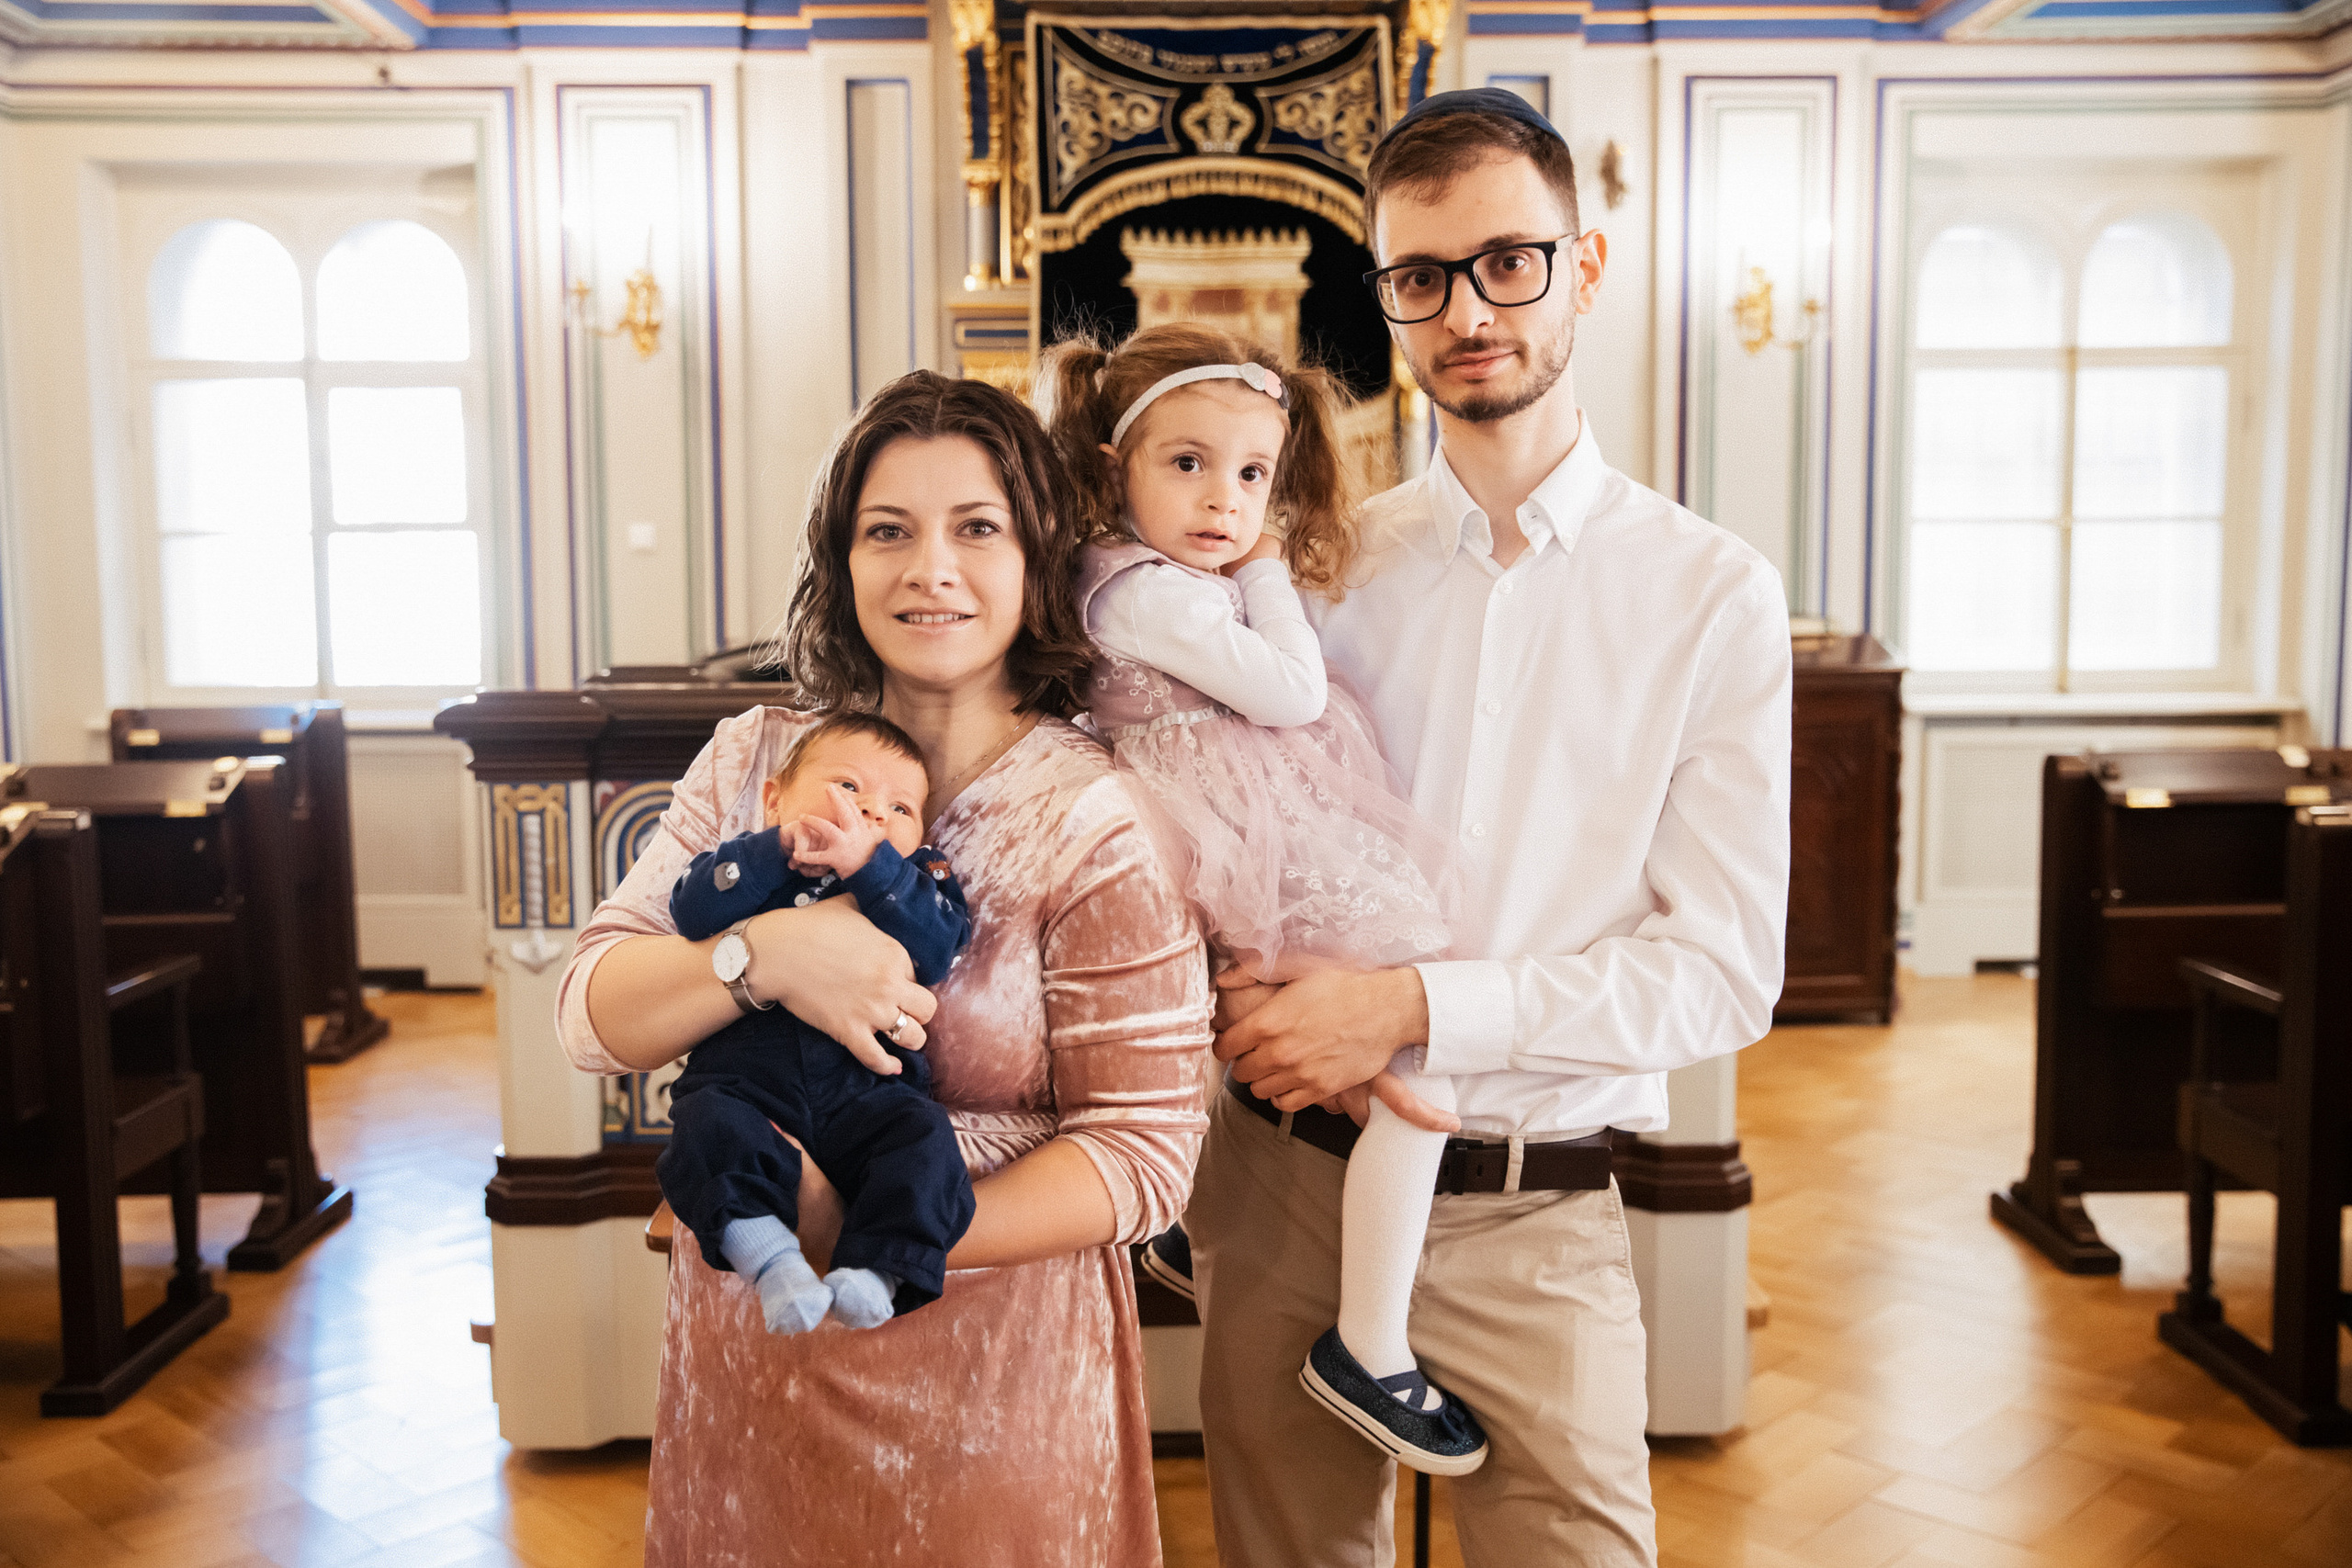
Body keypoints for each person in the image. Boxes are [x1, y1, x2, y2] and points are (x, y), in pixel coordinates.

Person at [1190, 88, 1793, 1567]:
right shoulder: (1316, 572)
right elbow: (1226, 815)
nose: (1468, 309)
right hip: (1287, 1186)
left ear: (1581, 267)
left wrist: (1407, 1006)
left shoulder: (1711, 594)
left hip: (1538, 1207)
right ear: (1385, 298)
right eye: (1420, 277)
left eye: (1508, 261)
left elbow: (1720, 972)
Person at [555, 370, 1213, 1565]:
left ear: (1036, 553)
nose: (932, 568)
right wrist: (765, 952)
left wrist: (860, 1223)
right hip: (761, 1381)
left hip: (997, 1398)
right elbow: (592, 1013)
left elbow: (1146, 1152)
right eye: (888, 530)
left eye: (976, 527)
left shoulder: (1098, 813)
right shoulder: (757, 760)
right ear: (840, 558)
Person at [1039, 321, 1484, 1476]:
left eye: (1251, 476)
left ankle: (1192, 1233)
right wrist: (1268, 569)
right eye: (1185, 464)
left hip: (1227, 819)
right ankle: (1370, 1343)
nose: (1224, 500)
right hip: (1226, 828)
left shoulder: (1142, 581)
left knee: (1234, 1032)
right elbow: (1289, 694)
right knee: (1413, 1061)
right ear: (1109, 468)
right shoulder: (1145, 593)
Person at [655, 711, 974, 1337]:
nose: (874, 813)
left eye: (901, 809)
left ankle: (875, 1272)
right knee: (704, 1126)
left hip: (871, 1093)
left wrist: (871, 865)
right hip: (747, 1081)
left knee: (926, 1142)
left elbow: (940, 946)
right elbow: (691, 907)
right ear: (775, 799)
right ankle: (771, 1260)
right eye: (850, 787)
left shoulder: (917, 878)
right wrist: (776, 849)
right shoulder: (751, 865)